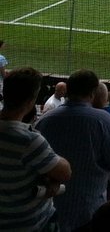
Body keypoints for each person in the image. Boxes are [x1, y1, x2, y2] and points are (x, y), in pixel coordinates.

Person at [35, 68, 110, 232]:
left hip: (49, 210)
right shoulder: (103, 120)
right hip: (88, 210)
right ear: (92, 93)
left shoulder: (45, 119)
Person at [0, 66, 72, 232]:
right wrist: (50, 179)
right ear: (31, 100)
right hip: (28, 225)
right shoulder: (29, 140)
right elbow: (65, 172)